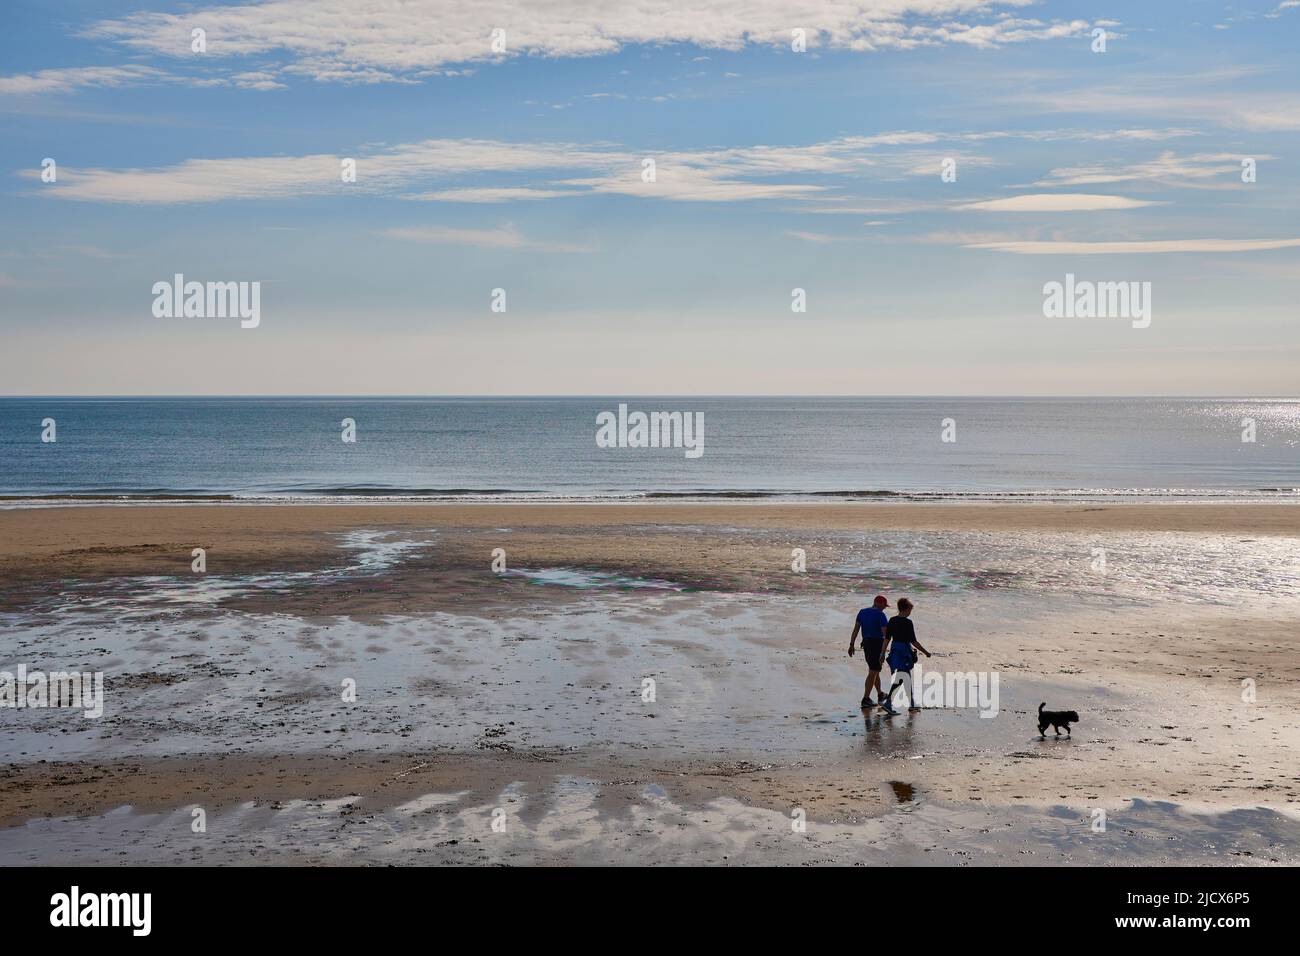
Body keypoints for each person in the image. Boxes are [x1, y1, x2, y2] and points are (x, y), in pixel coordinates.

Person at [881, 597, 930, 714]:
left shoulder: (892, 620)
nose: (910, 613)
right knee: (902, 677)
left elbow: (887, 639)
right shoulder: (908, 623)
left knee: (905, 677)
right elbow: (913, 641)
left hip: (895, 649)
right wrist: (926, 652)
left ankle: (911, 703)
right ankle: (888, 703)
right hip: (904, 651)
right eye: (910, 610)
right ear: (906, 609)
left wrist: (882, 653)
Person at [848, 595, 891, 709]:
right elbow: (885, 634)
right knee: (873, 671)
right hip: (876, 644)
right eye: (883, 605)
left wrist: (851, 644)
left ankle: (880, 694)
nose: (884, 608)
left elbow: (856, 629)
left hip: (866, 644)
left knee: (874, 670)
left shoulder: (862, 612)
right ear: (877, 603)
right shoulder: (880, 615)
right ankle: (866, 699)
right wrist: (883, 652)